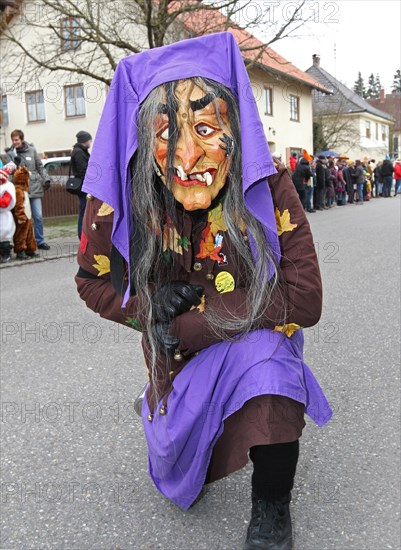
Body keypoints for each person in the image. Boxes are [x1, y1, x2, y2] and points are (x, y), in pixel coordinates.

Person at [75, 33, 331, 550]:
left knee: (269, 360)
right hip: (177, 367)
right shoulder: (119, 204)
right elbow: (92, 282)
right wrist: (147, 306)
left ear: (236, 128)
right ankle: (162, 413)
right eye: (166, 134)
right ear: (143, 141)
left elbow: (305, 300)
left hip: (245, 350)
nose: (188, 157)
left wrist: (192, 321)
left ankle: (272, 507)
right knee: (176, 468)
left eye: (207, 127)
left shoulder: (268, 186)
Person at [5, 129, 51, 249]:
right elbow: (9, 172)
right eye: (13, 140)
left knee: (38, 216)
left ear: (22, 139)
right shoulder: (10, 153)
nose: (15, 142)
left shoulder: (32, 150)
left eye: (17, 140)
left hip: (34, 187)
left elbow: (40, 166)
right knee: (23, 219)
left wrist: (46, 179)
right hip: (20, 190)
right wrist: (14, 163)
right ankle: (25, 243)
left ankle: (40, 241)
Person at [12, 160, 38, 260]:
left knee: (29, 233)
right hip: (23, 216)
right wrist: (21, 216)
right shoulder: (18, 190)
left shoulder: (24, 190)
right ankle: (20, 251)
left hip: (28, 214)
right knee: (21, 234)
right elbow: (18, 205)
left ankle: (30, 249)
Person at [70, 130, 92, 239]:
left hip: (84, 185)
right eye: (89, 140)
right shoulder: (79, 152)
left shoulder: (80, 151)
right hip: (84, 186)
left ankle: (84, 234)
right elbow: (83, 170)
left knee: (85, 211)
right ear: (85, 140)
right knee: (84, 212)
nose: (90, 142)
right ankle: (82, 235)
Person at [0, 167, 16, 263]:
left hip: (4, 217)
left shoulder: (8, 187)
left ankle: (6, 253)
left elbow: (5, 202)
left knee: (4, 237)